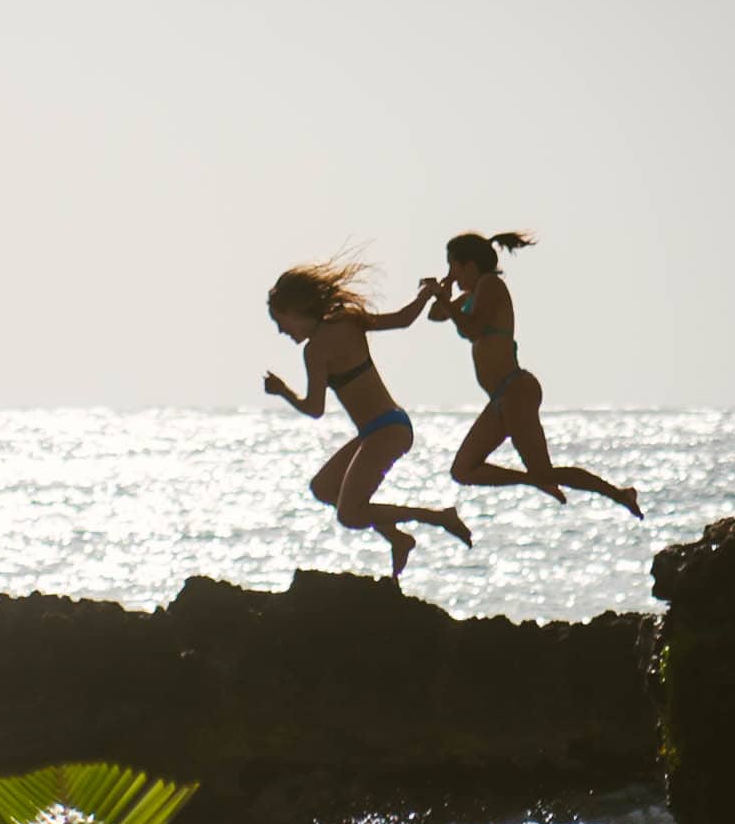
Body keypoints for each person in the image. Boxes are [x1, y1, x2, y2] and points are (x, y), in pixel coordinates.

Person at [264, 260, 470, 577]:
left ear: (296, 309)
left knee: (350, 515)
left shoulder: (315, 350)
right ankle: (397, 538)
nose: (281, 331)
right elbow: (402, 320)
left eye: (281, 322)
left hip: (384, 431)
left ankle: (440, 517)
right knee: (323, 488)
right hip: (385, 428)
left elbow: (314, 409)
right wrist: (426, 295)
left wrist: (282, 392)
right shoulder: (346, 321)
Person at [429, 232, 641, 517]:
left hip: (516, 391)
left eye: (452, 266)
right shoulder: (470, 295)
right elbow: (435, 315)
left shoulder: (491, 285)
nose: (451, 273)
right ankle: (535, 481)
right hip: (501, 397)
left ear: (469, 265)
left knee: (544, 470)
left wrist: (445, 297)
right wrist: (445, 290)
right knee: (464, 469)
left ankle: (619, 493)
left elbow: (472, 329)